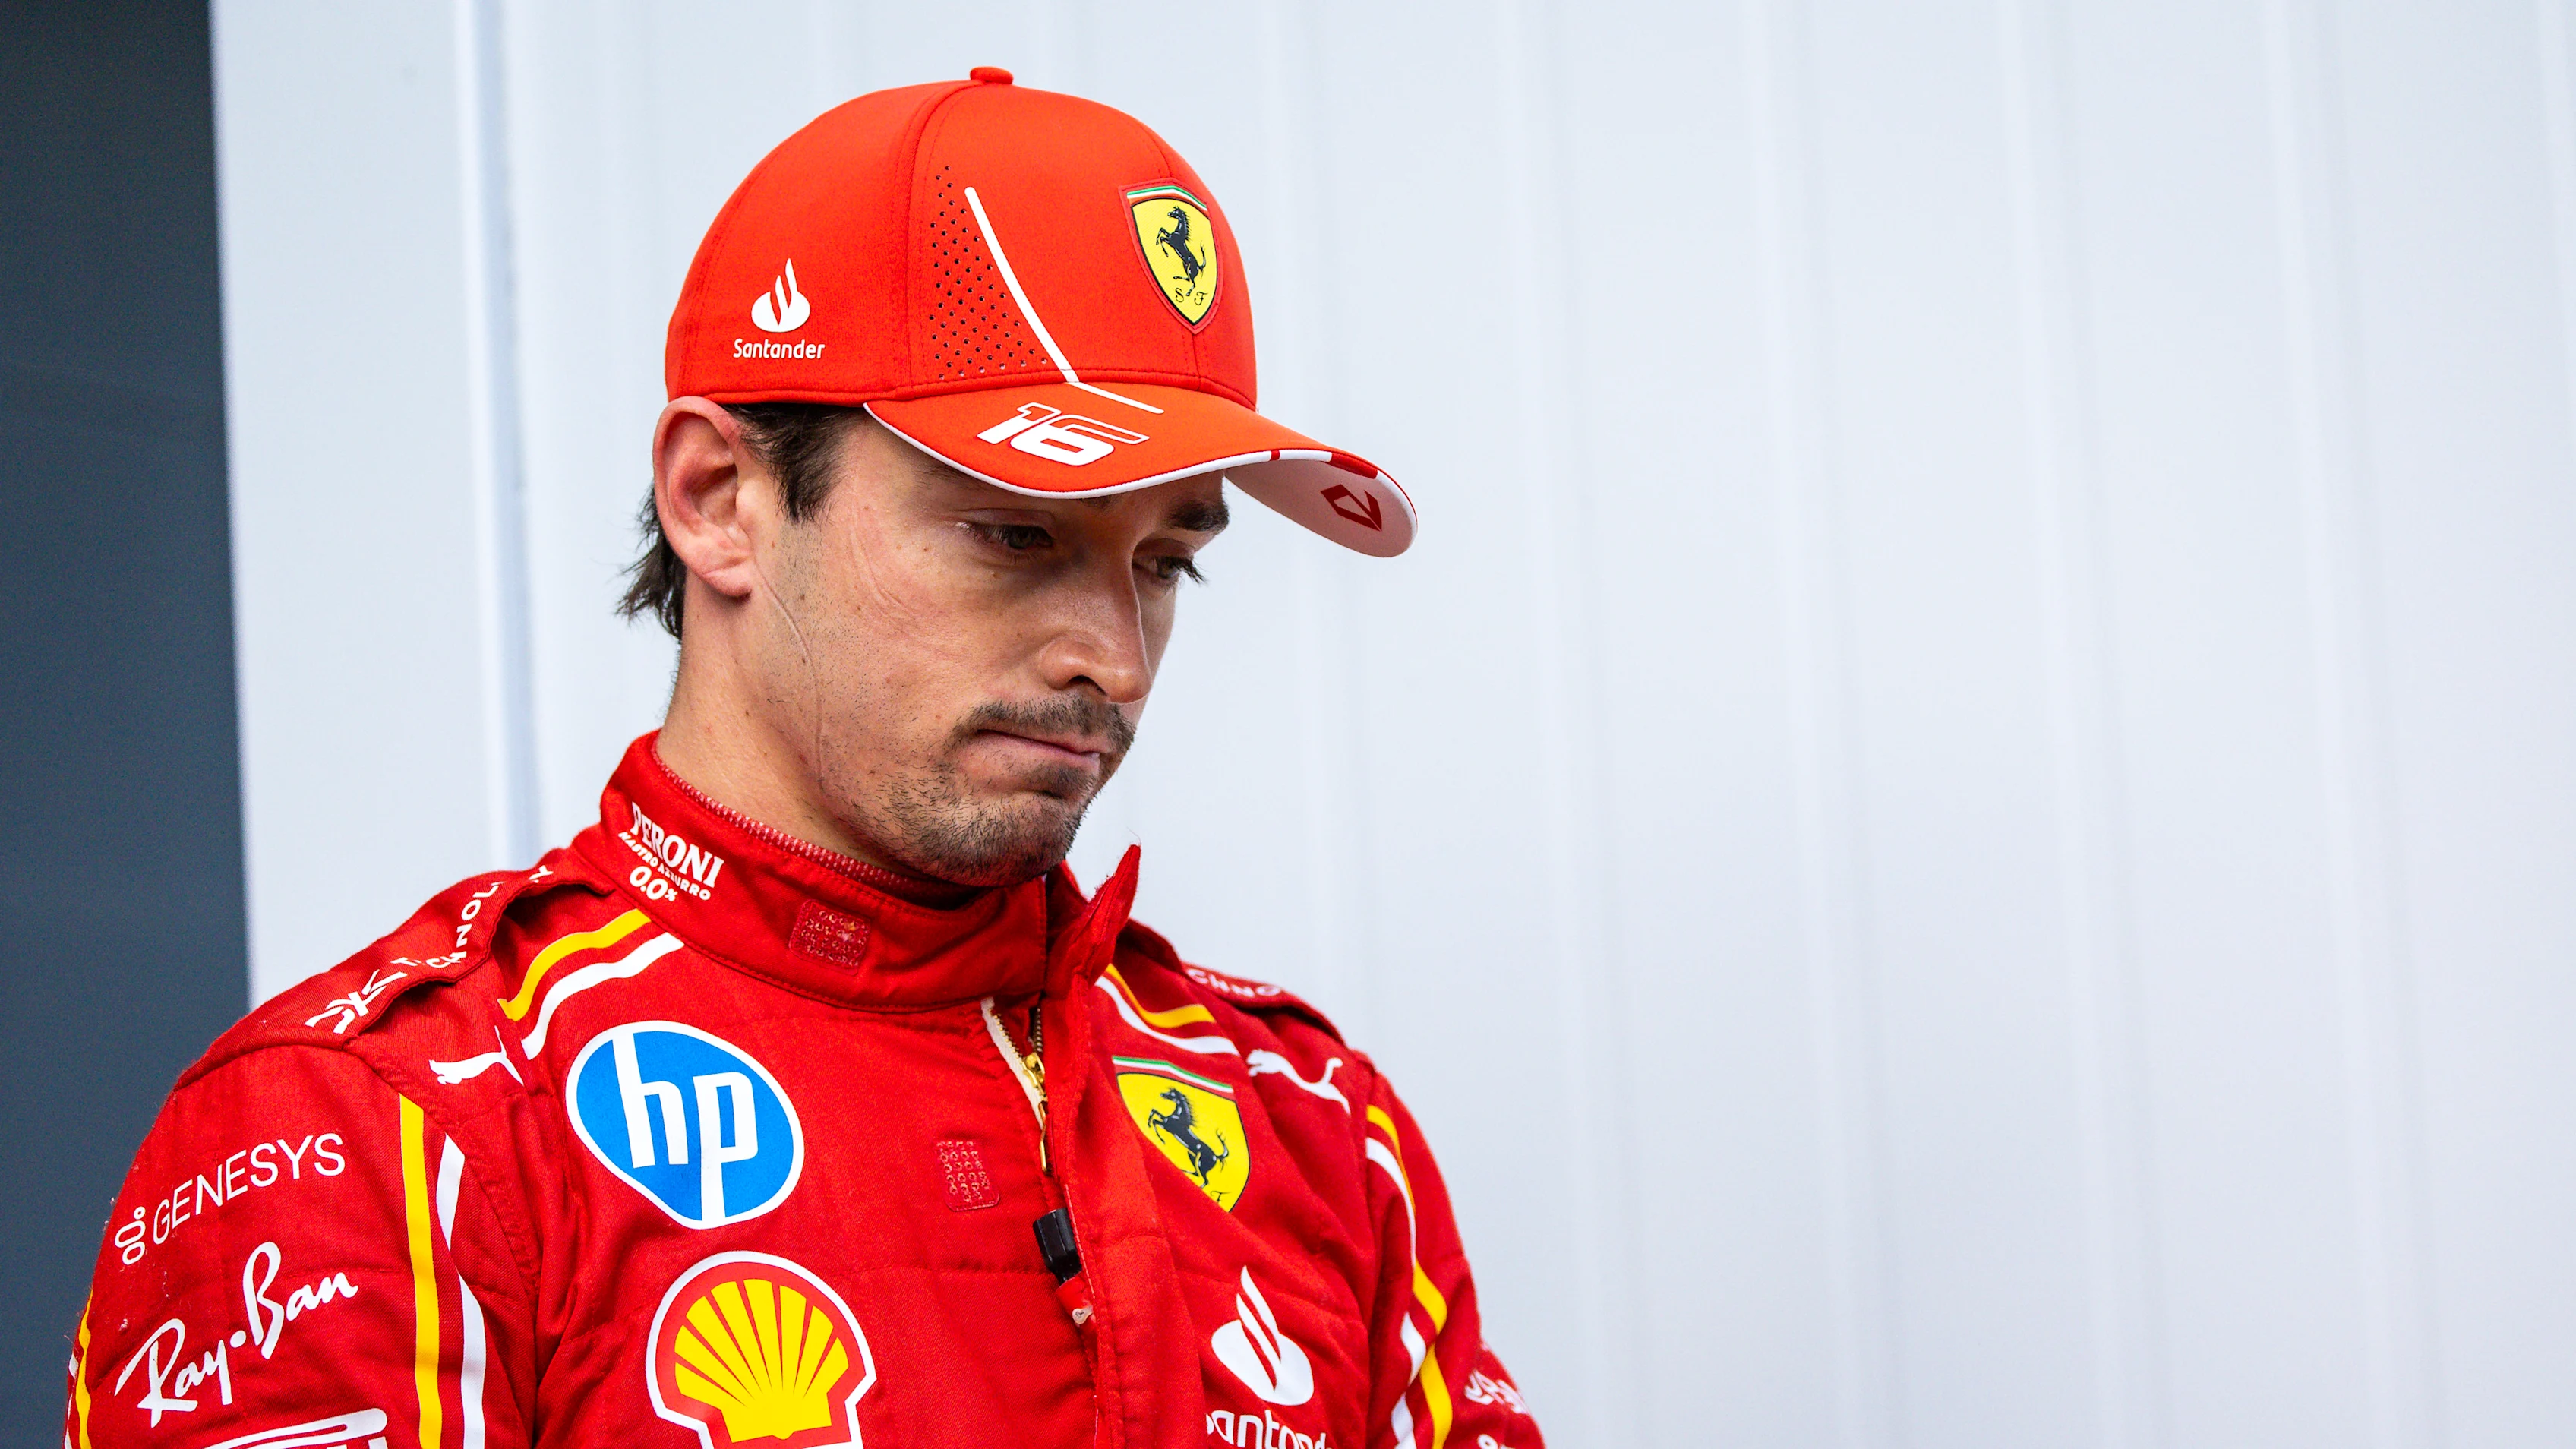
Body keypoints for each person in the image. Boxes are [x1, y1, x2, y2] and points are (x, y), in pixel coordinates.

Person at [64, 68, 1542, 1449]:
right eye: (1017, 536)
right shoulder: (377, 1124)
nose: (1114, 655)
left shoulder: (1315, 1126)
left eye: (1164, 563)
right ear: (720, 501)